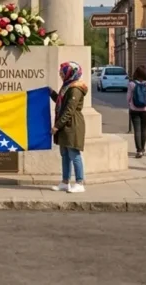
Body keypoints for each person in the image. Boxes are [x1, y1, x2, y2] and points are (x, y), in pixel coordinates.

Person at [50, 61, 87, 193]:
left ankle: (79, 182)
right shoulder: (67, 86)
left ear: (69, 73)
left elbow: (69, 109)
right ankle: (65, 181)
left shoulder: (75, 88)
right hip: (65, 125)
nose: (60, 75)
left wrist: (57, 126)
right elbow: (61, 102)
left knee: (74, 153)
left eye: (62, 73)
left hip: (72, 124)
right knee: (64, 154)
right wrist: (51, 93)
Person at [127, 65, 146, 158]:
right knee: (144, 130)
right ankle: (143, 149)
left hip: (134, 109)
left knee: (137, 130)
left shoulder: (132, 84)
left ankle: (138, 150)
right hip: (145, 110)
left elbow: (128, 98)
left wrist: (130, 104)